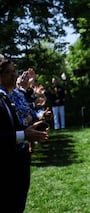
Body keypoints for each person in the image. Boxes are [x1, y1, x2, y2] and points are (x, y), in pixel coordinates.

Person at [0, 57, 49, 212]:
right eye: (9, 72)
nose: (15, 75)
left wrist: (35, 128)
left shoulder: (8, 96)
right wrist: (25, 135)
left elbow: (20, 121)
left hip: (20, 157)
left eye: (15, 71)